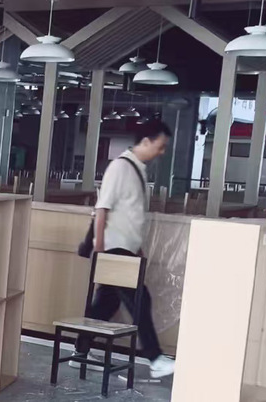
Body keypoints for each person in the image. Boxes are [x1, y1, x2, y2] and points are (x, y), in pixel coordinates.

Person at [72, 119, 176, 379]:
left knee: (105, 305)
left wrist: (138, 249)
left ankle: (80, 352)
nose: (162, 152)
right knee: (140, 300)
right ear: (146, 142)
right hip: (114, 249)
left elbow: (130, 215)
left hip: (125, 249)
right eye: (160, 146)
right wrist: (99, 249)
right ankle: (155, 359)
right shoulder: (120, 167)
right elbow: (102, 209)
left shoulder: (137, 169)